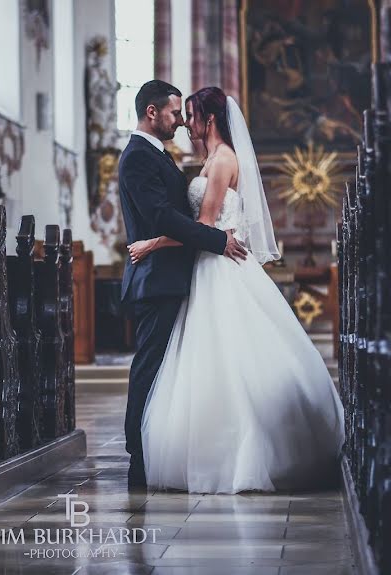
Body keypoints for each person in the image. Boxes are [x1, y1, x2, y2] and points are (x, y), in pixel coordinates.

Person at [129, 86, 345, 493]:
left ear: (209, 119)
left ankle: (241, 454)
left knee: (227, 356)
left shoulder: (224, 158)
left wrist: (153, 242)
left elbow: (207, 226)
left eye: (190, 116)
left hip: (219, 268)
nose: (186, 124)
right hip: (208, 264)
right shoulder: (211, 159)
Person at [117, 80, 248, 490]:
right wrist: (215, 240)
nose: (180, 123)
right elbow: (160, 215)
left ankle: (164, 448)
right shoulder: (138, 156)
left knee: (172, 368)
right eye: (175, 113)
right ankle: (138, 454)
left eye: (186, 114)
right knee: (151, 367)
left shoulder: (158, 155)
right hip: (158, 278)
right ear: (152, 112)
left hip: (175, 274)